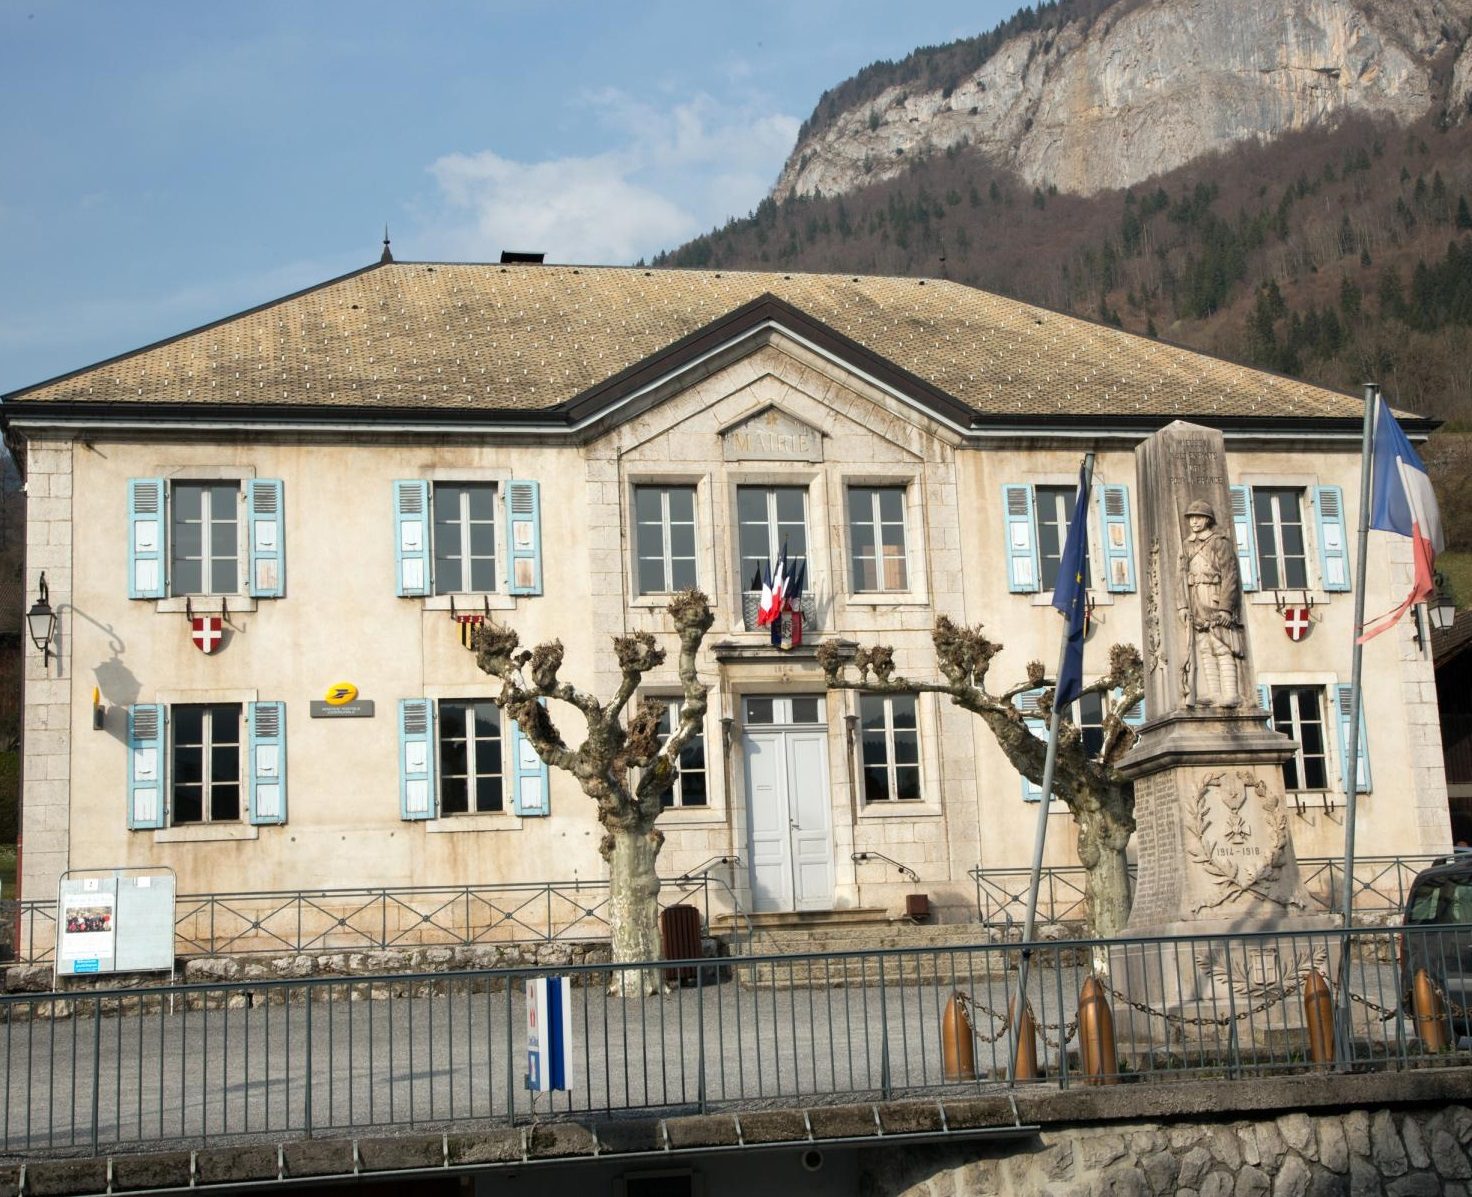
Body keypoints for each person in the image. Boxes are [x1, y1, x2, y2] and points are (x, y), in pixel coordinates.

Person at [1178, 500, 1246, 707]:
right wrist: (1182, 604)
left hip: (1214, 595)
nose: (1194, 521)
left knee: (1221, 644)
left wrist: (1226, 607)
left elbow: (1230, 575)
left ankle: (1231, 694)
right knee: (1204, 646)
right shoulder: (1187, 545)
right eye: (1191, 518)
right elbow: (1180, 577)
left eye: (1198, 517)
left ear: (1207, 520)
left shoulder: (1219, 542)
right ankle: (1215, 694)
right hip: (1195, 598)